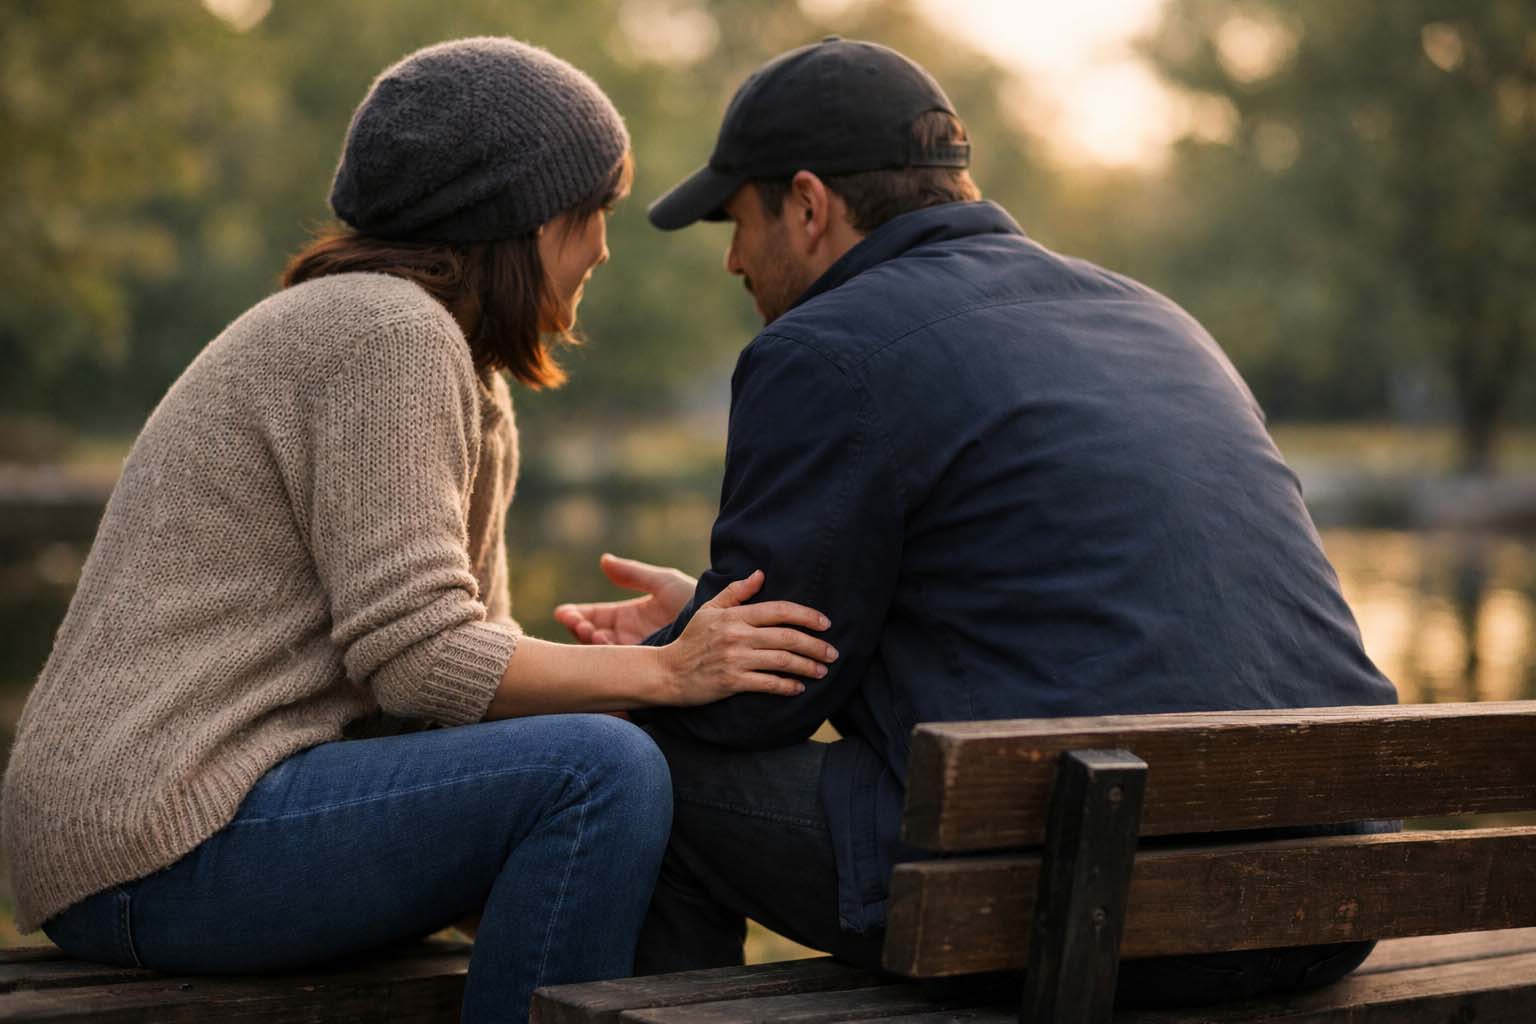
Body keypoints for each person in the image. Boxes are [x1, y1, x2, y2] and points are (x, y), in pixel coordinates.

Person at [0, 37, 836, 1024]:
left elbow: (451, 679)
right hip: (160, 837)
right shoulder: (383, 333)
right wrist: (667, 673)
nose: (605, 249)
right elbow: (424, 660)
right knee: (599, 769)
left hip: (223, 816)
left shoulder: (447, 362)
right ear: (517, 220)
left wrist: (637, 664)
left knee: (614, 756)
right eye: (593, 213)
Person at [553, 37, 1398, 1008]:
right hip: (1329, 902)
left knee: (636, 768)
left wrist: (662, 658)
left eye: (737, 222)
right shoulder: (1158, 318)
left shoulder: (823, 348)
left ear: (810, 203)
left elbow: (756, 708)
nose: (736, 259)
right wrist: (702, 619)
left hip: (1094, 914)